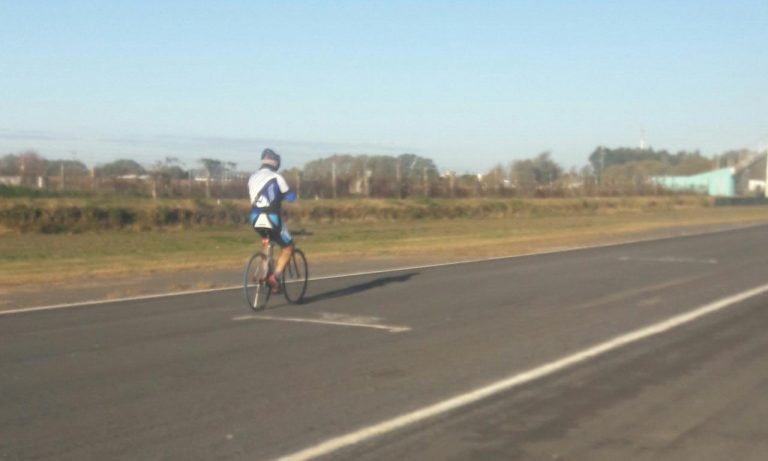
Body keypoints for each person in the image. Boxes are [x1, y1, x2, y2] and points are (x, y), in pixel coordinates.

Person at [248, 148, 296, 293]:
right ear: (276, 163)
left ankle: (264, 273)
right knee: (288, 247)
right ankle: (274, 277)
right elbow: (291, 197)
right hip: (272, 218)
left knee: (267, 242)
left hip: (255, 218)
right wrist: (286, 196)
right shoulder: (277, 177)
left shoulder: (252, 177)